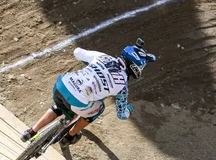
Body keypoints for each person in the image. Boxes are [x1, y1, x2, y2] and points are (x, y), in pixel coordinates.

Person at [20, 39, 156, 146]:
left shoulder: (103, 57)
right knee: (99, 107)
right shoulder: (123, 87)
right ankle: (69, 136)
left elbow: (77, 52)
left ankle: (31, 132)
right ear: (136, 66)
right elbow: (121, 115)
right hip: (78, 101)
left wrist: (92, 65)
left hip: (61, 86)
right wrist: (128, 110)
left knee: (59, 106)